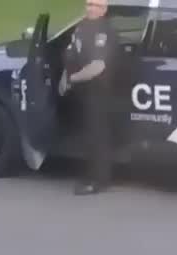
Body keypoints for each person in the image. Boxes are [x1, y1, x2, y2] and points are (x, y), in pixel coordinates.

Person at [60, 0, 115, 195]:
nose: (90, 8)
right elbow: (72, 51)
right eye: (88, 3)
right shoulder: (83, 26)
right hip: (83, 91)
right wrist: (65, 75)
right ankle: (89, 174)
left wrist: (72, 78)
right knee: (87, 135)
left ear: (104, 9)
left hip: (97, 92)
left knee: (97, 136)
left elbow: (97, 66)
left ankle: (98, 181)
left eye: (96, 5)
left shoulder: (103, 31)